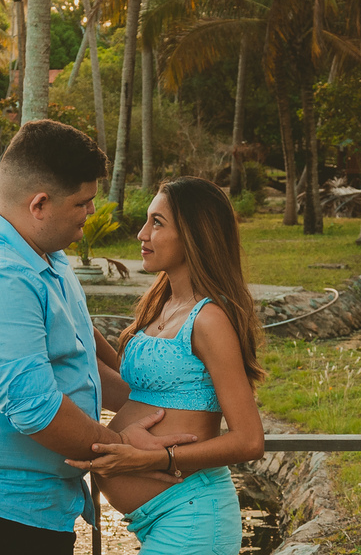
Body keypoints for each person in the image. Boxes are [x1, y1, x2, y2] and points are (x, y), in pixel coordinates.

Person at [0, 120, 193, 555]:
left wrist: (163, 407)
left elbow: (80, 352)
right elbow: (36, 410)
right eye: (82, 203)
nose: (91, 214)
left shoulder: (45, 254)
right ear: (39, 204)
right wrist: (125, 447)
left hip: (23, 507)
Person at [65, 176, 266, 555]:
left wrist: (157, 458)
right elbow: (131, 389)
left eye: (157, 223)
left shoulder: (210, 319)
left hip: (192, 514)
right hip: (163, 519)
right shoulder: (161, 305)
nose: (142, 233)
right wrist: (66, 310)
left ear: (195, 235)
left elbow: (250, 440)